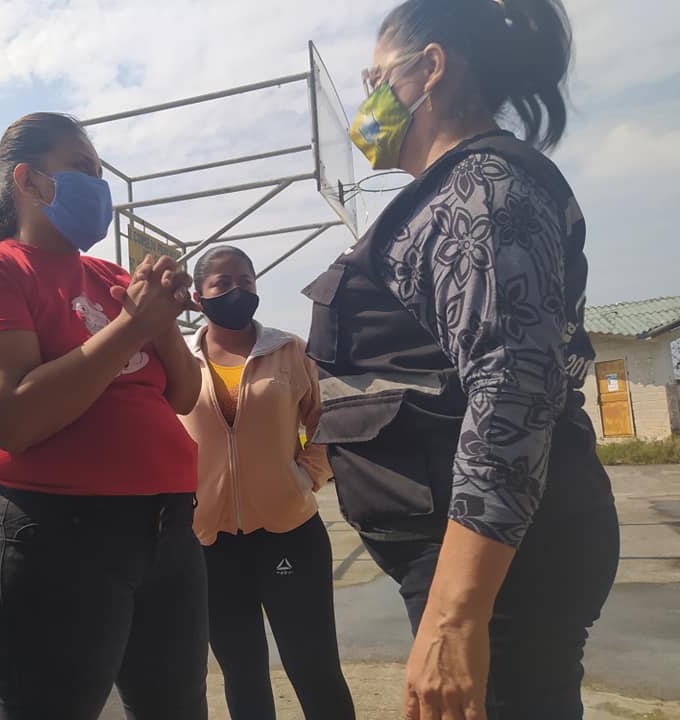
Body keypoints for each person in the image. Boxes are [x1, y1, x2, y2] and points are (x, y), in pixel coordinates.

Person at [303, 1, 619, 718]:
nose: (368, 101)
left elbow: (512, 387)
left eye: (375, 79)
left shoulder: (482, 186)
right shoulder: (453, 190)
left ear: (431, 69)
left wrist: (454, 618)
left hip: (501, 575)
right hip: (487, 564)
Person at [0, 112, 208, 720]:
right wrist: (132, 325)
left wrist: (159, 316)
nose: (99, 186)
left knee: (178, 707)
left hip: (166, 532)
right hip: (55, 539)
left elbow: (185, 395)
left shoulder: (111, 278)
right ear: (29, 181)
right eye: (82, 168)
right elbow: (10, 418)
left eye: (100, 173)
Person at [177, 245, 355, 720]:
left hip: (289, 533)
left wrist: (306, 475)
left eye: (246, 280)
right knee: (242, 674)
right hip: (210, 544)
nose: (237, 290)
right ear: (198, 297)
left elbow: (326, 422)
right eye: (222, 283)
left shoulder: (289, 350)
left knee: (314, 668)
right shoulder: (179, 359)